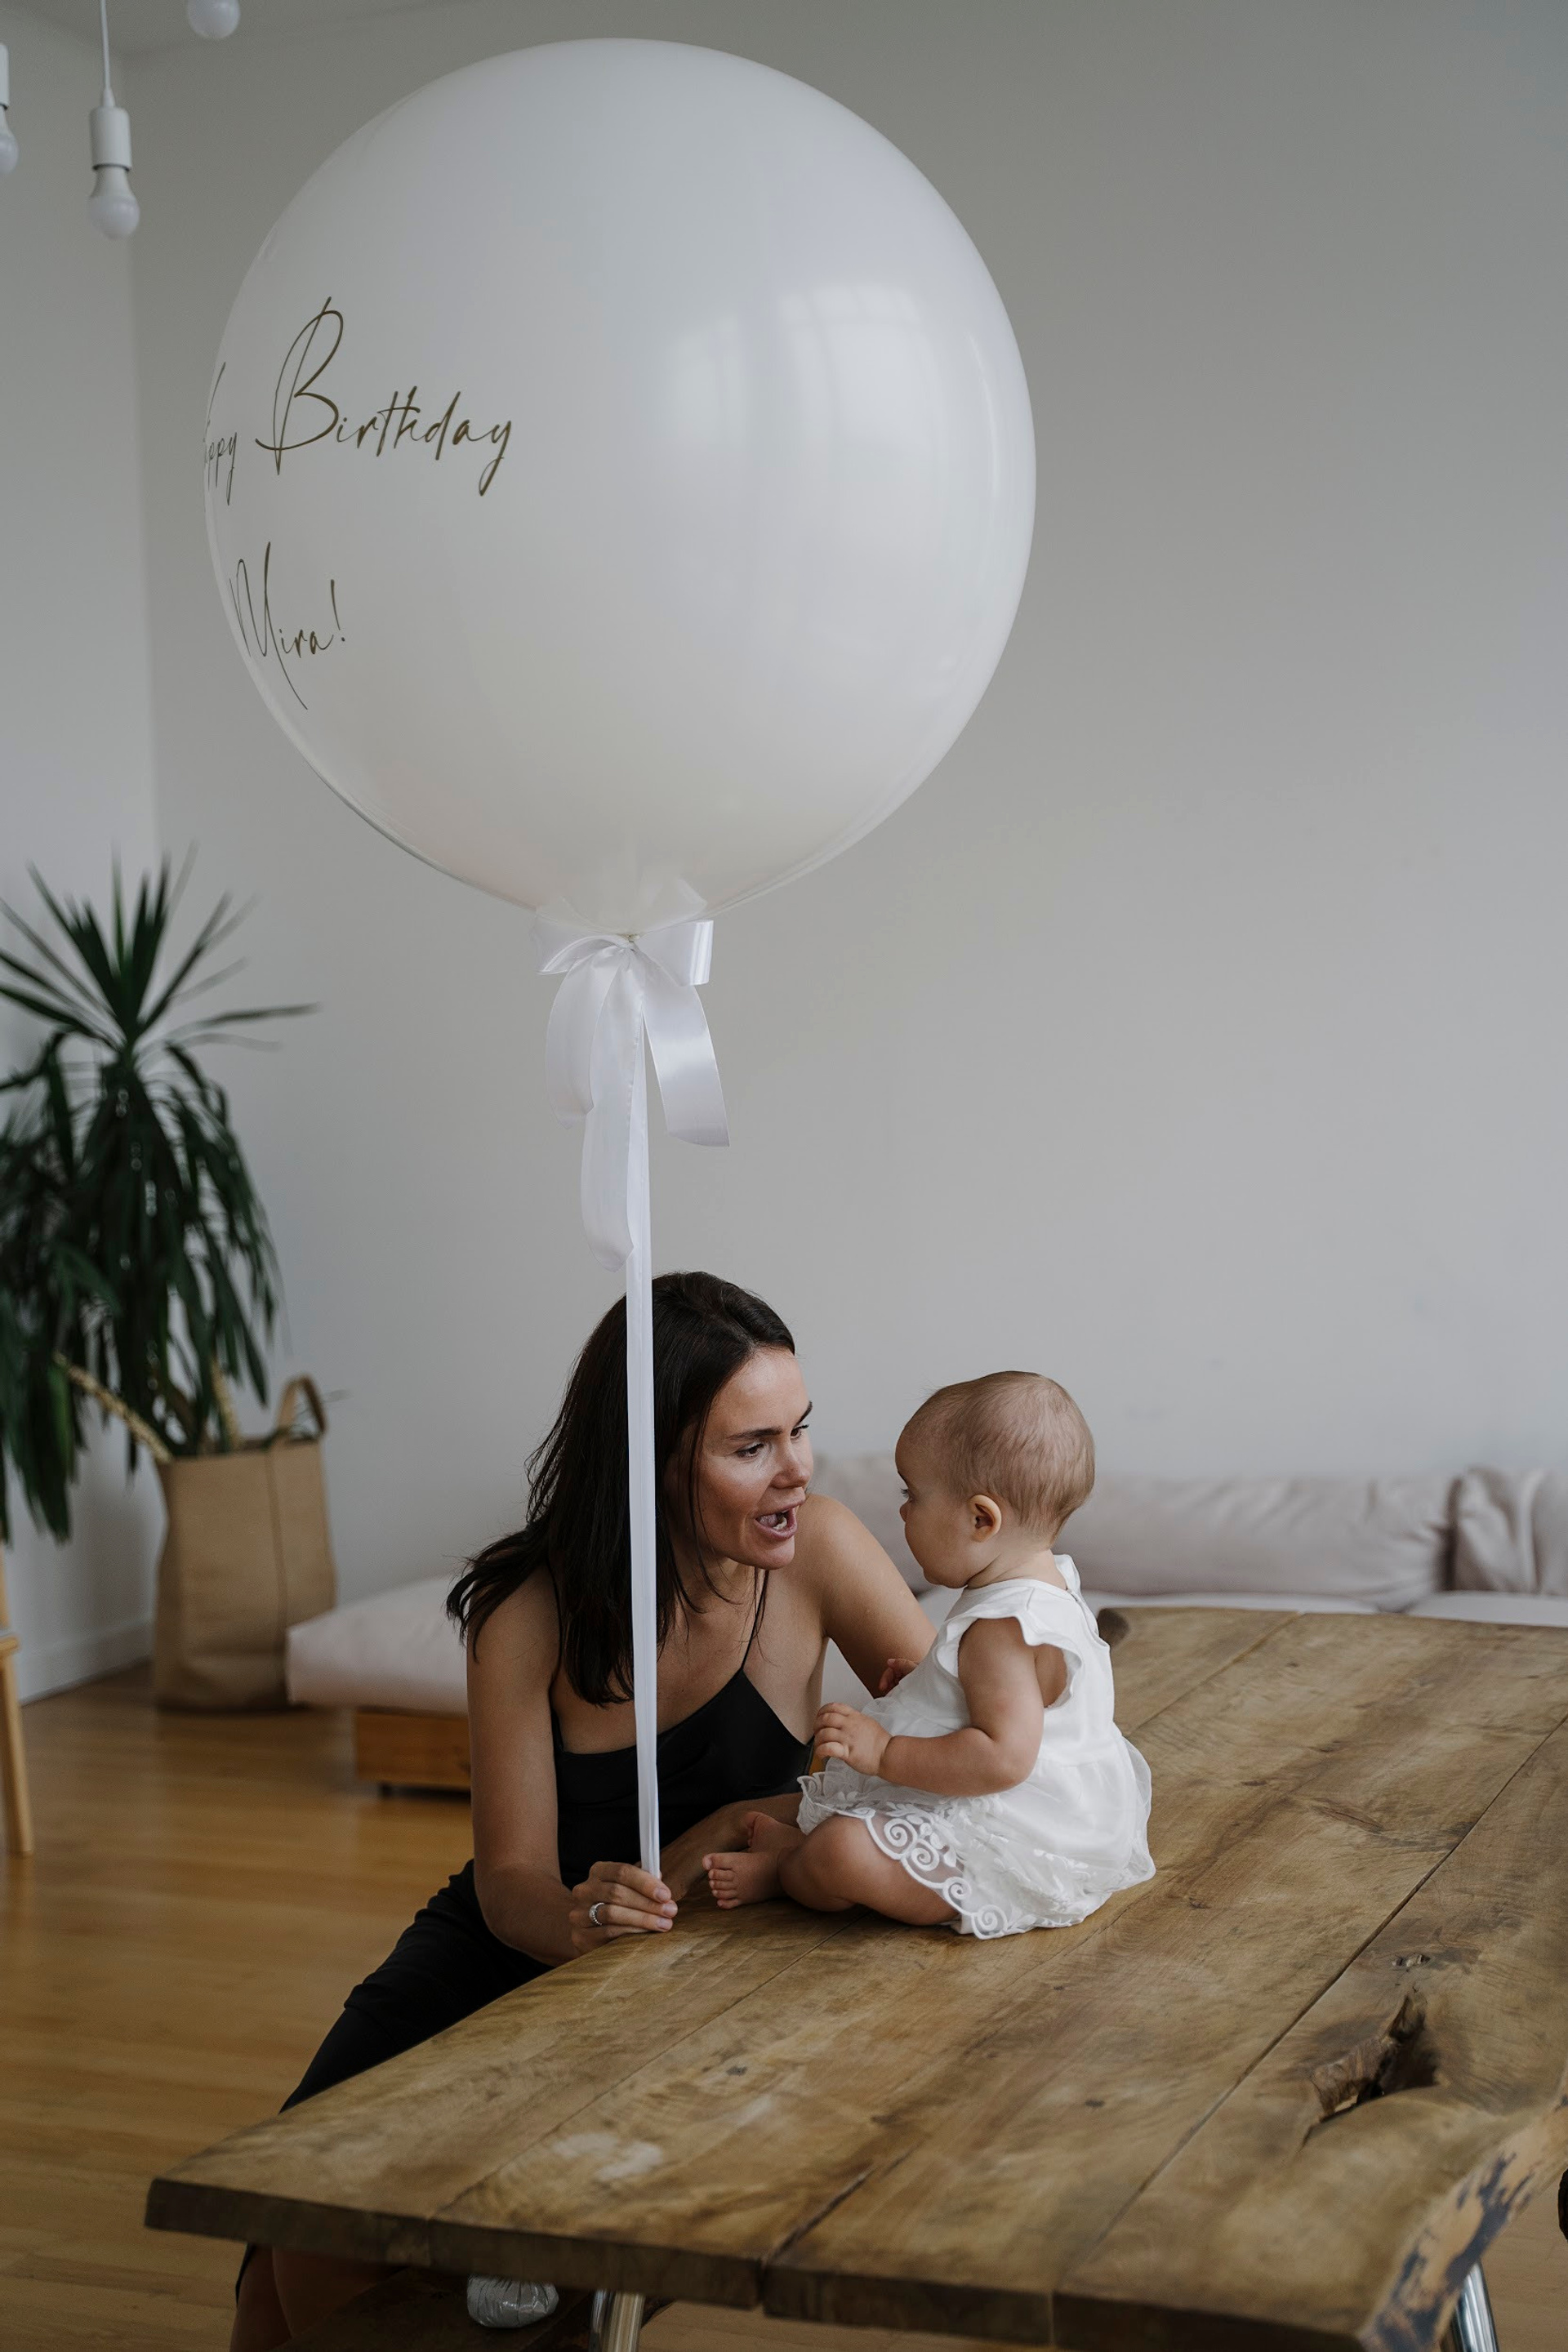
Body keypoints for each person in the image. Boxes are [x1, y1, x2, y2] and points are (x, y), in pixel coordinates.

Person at [232, 1272, 934, 2351]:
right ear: (654, 1467)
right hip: (509, 1957)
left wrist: (774, 1807)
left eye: (800, 1430)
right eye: (751, 1446)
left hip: (681, 1988)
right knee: (286, 2263)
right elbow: (508, 1876)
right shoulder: (528, 1616)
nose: (797, 1468)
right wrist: (573, 1920)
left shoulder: (822, 1553)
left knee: (490, 2293)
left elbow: (950, 1752)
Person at [704, 1371, 1155, 1938]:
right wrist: (934, 1693)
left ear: (980, 1519)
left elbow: (1003, 1759)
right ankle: (801, 1853)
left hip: (1014, 1839)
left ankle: (787, 1868)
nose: (902, 1513)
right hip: (1061, 1819)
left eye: (911, 1495)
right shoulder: (1048, 1584)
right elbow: (1013, 1705)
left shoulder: (999, 1629)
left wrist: (886, 1751)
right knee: (857, 1834)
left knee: (843, 1851)